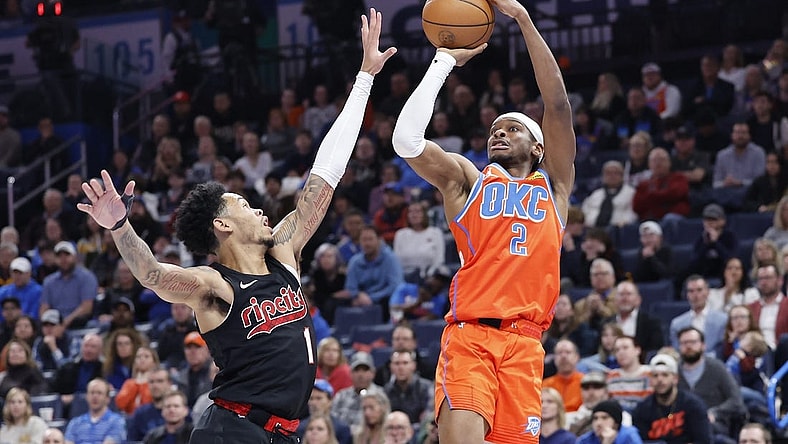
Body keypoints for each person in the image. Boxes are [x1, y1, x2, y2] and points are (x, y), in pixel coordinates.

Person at [76, 9, 395, 443]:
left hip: (281, 433)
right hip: (231, 428)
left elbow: (326, 173)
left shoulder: (283, 253)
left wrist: (363, 81)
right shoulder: (215, 287)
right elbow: (152, 274)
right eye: (245, 204)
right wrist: (118, 225)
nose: (261, 210)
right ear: (223, 224)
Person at [632, 353, 712, 444]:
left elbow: (704, 440)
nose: (660, 380)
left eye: (665, 375)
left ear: (675, 379)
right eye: (655, 376)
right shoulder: (642, 409)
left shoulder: (693, 405)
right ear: (650, 380)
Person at [64, 378, 126, 444]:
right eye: (92, 392)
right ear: (87, 397)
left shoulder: (117, 421)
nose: (95, 396)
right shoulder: (75, 423)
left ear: (107, 399)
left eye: (99, 393)